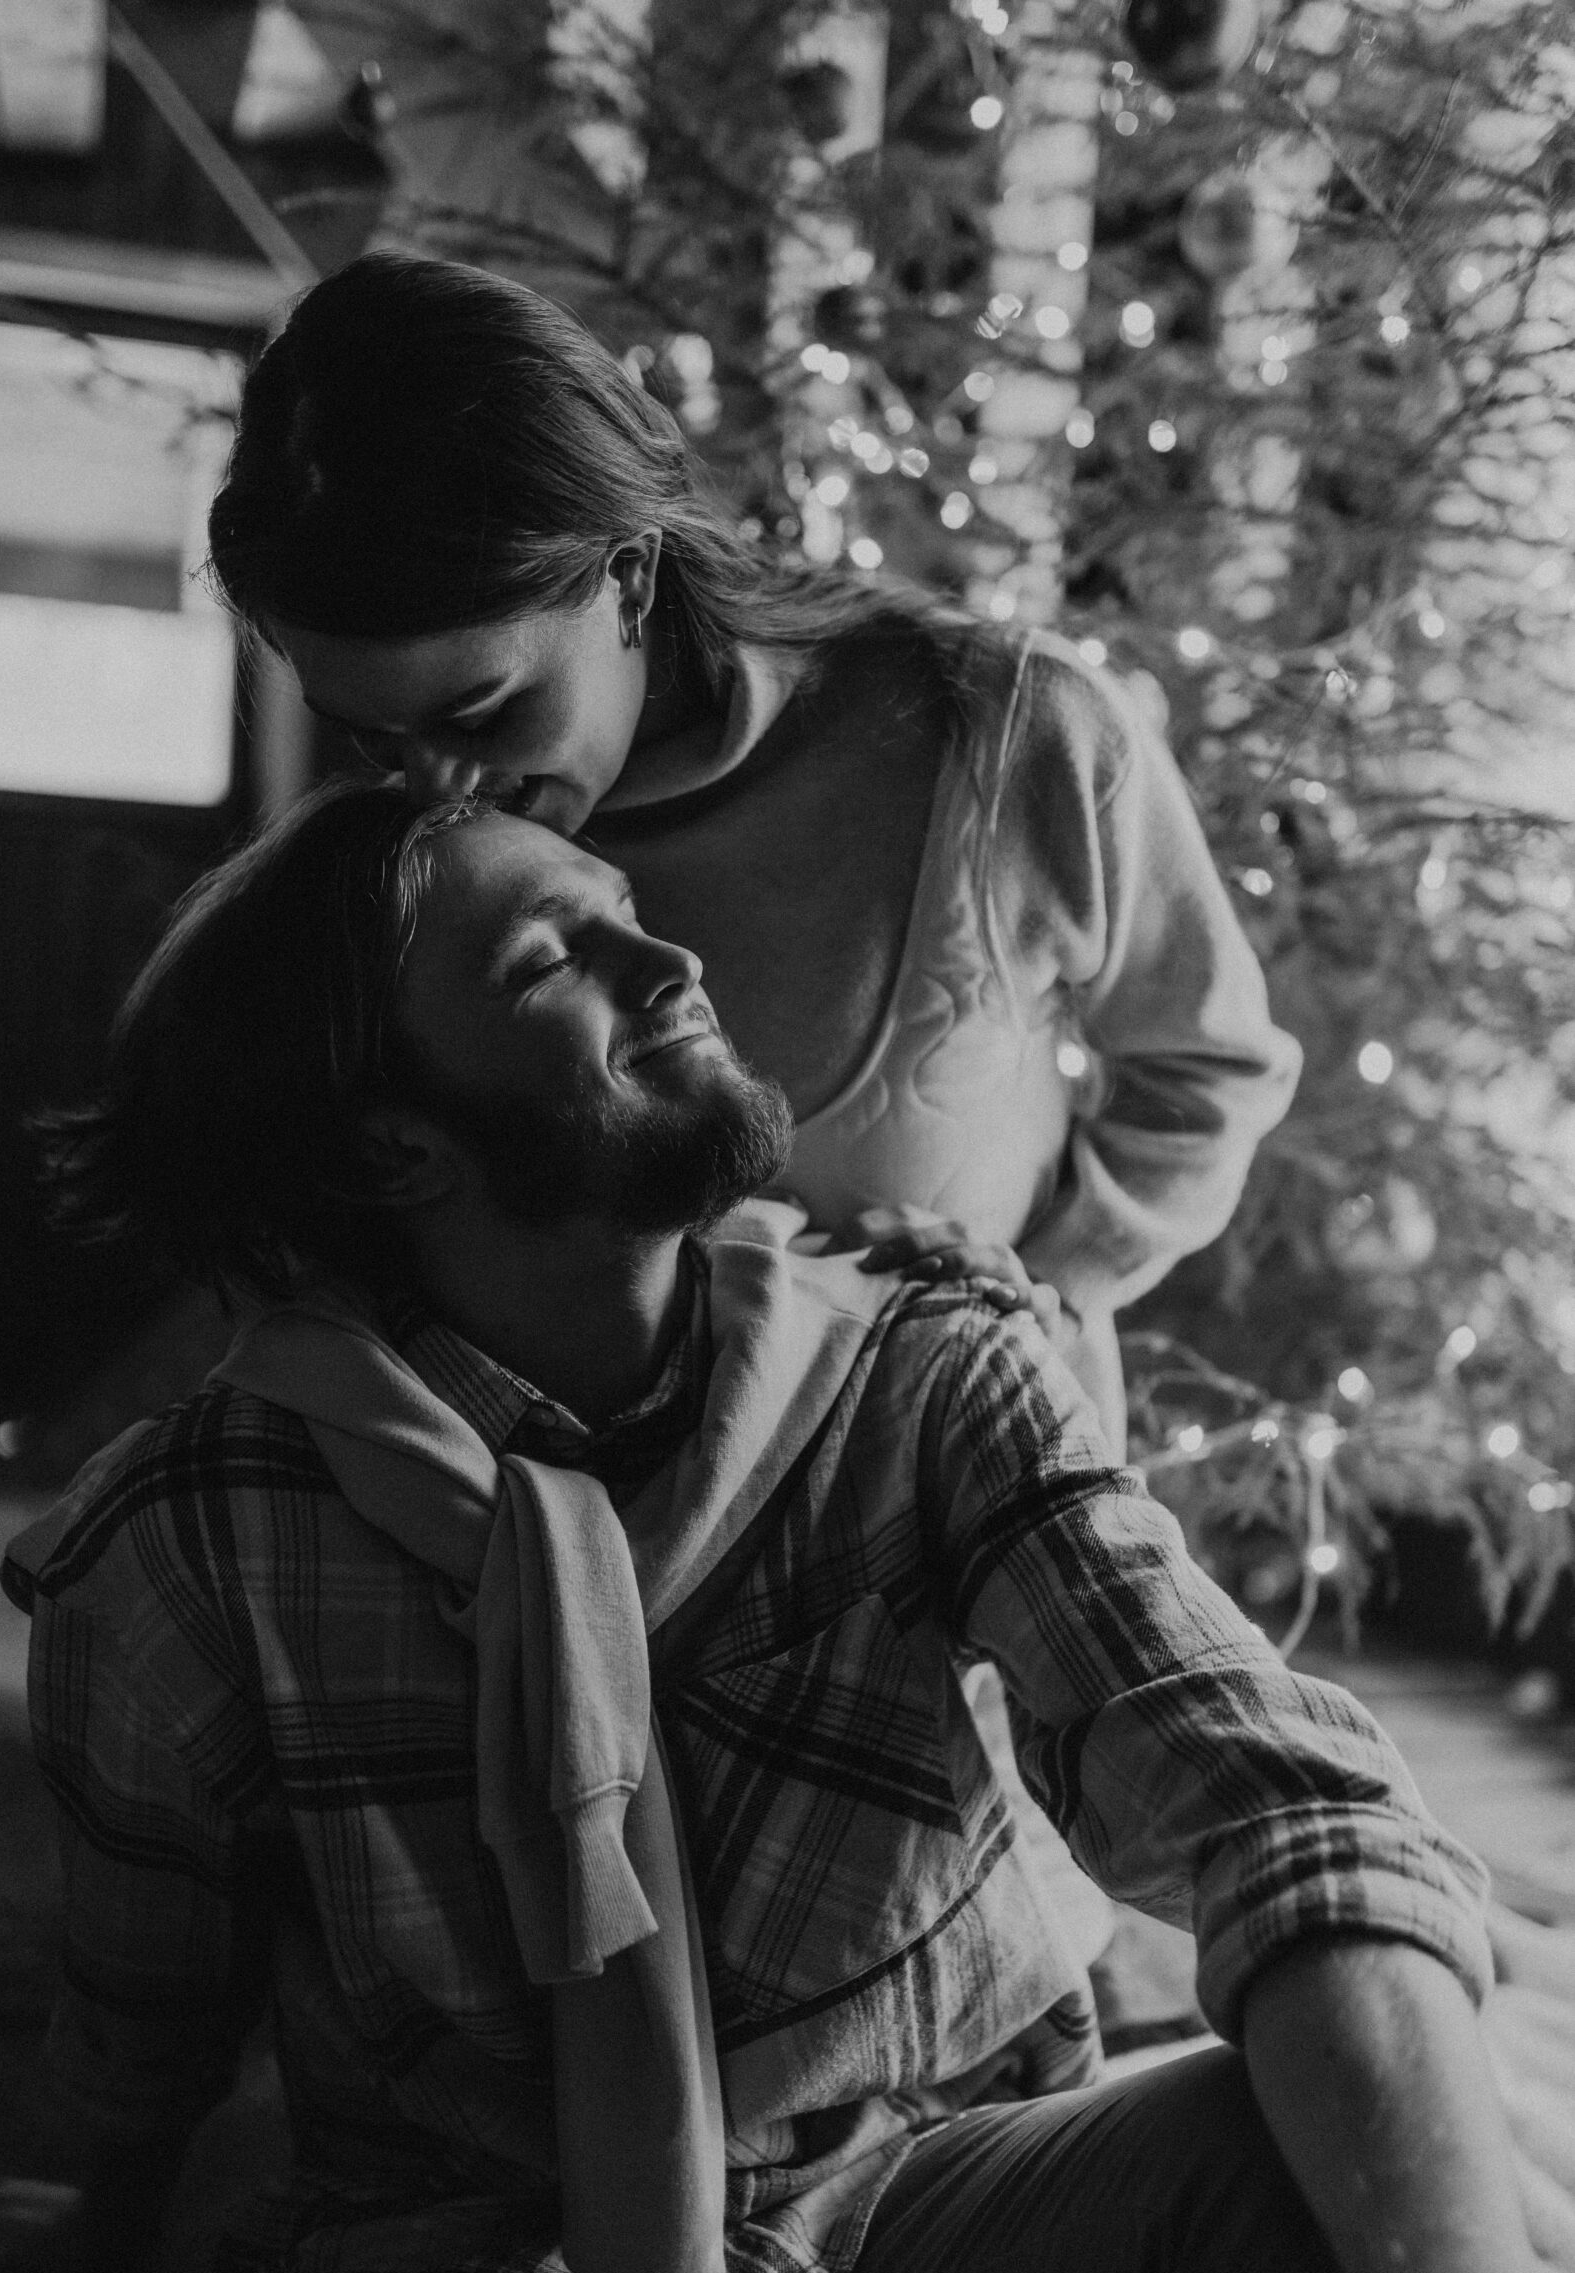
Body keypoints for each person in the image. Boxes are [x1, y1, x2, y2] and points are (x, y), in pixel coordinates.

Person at [0, 783, 1572, 2273]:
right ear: (397, 1149)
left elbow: (1271, 1807)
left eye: (619, 902)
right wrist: (97, 2240)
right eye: (556, 957)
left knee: (1307, 2184)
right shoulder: (185, 1541)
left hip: (925, 2259)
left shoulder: (922, 1375)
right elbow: (154, 2004)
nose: (668, 954)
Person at [205, 251, 1304, 1462]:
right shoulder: (416, 883)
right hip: (599, 1571)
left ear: (628, 577)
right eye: (373, 733)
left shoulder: (1010, 736)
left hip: (972, 1514)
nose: (433, 789)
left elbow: (1210, 1073)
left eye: (478, 715)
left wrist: (1042, 1289)